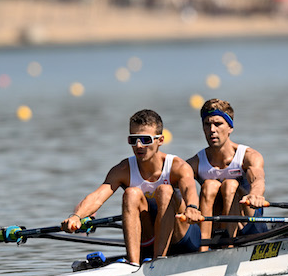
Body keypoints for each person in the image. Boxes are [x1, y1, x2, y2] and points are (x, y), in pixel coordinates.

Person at [61, 109, 204, 265]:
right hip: (148, 240)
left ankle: (159, 261)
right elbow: (97, 197)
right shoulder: (123, 170)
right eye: (133, 139)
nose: (138, 145)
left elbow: (189, 189)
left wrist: (192, 207)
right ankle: (133, 264)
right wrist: (76, 216)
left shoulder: (178, 167)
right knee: (131, 193)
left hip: (183, 239)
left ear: (160, 140)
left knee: (164, 190)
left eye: (145, 139)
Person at [186, 99, 266, 248]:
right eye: (207, 124)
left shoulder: (248, 156)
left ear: (230, 127)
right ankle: (203, 249)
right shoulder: (194, 163)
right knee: (209, 185)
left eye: (218, 124)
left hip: (248, 225)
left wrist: (255, 194)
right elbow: (177, 185)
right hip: (215, 227)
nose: (212, 130)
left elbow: (258, 179)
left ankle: (228, 247)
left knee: (230, 185)